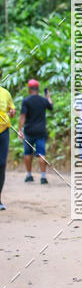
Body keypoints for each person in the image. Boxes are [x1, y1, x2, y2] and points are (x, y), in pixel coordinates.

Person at [18, 79, 52, 184]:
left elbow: (22, 116)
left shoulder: (26, 101)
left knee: (27, 153)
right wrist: (48, 97)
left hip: (29, 131)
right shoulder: (43, 100)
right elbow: (50, 107)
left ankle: (29, 175)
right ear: (38, 89)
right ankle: (43, 177)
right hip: (41, 131)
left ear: (29, 89)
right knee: (41, 153)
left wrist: (20, 129)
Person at [0, 82, 16, 210]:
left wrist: (12, 112)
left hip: (3, 131)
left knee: (1, 164)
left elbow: (12, 109)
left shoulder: (5, 93)